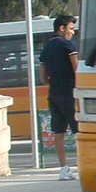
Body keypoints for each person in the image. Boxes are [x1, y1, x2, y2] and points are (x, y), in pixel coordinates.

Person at [38, 14, 79, 180]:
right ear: (61, 28)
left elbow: (43, 79)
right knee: (80, 130)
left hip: (54, 94)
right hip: (71, 93)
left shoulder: (46, 49)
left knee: (58, 132)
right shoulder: (67, 46)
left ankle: (64, 169)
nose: (73, 32)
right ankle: (84, 164)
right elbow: (77, 70)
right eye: (71, 28)